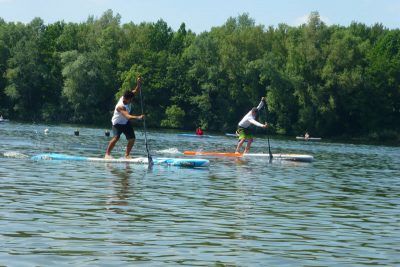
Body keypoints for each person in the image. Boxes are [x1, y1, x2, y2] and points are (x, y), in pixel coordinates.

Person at [105, 77, 144, 159]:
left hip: (125, 123)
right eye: (131, 99)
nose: (132, 100)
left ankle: (127, 155)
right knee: (116, 137)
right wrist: (138, 117)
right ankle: (107, 154)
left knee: (132, 139)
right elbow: (128, 116)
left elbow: (136, 91)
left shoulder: (128, 97)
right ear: (126, 99)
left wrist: (138, 83)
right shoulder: (120, 106)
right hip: (117, 123)